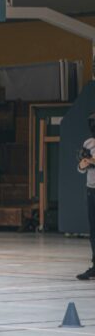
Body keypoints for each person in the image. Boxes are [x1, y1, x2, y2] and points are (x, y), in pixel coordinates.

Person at [76, 111, 95, 280]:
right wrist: (83, 164)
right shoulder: (88, 143)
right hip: (91, 189)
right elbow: (81, 165)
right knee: (93, 229)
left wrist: (91, 160)